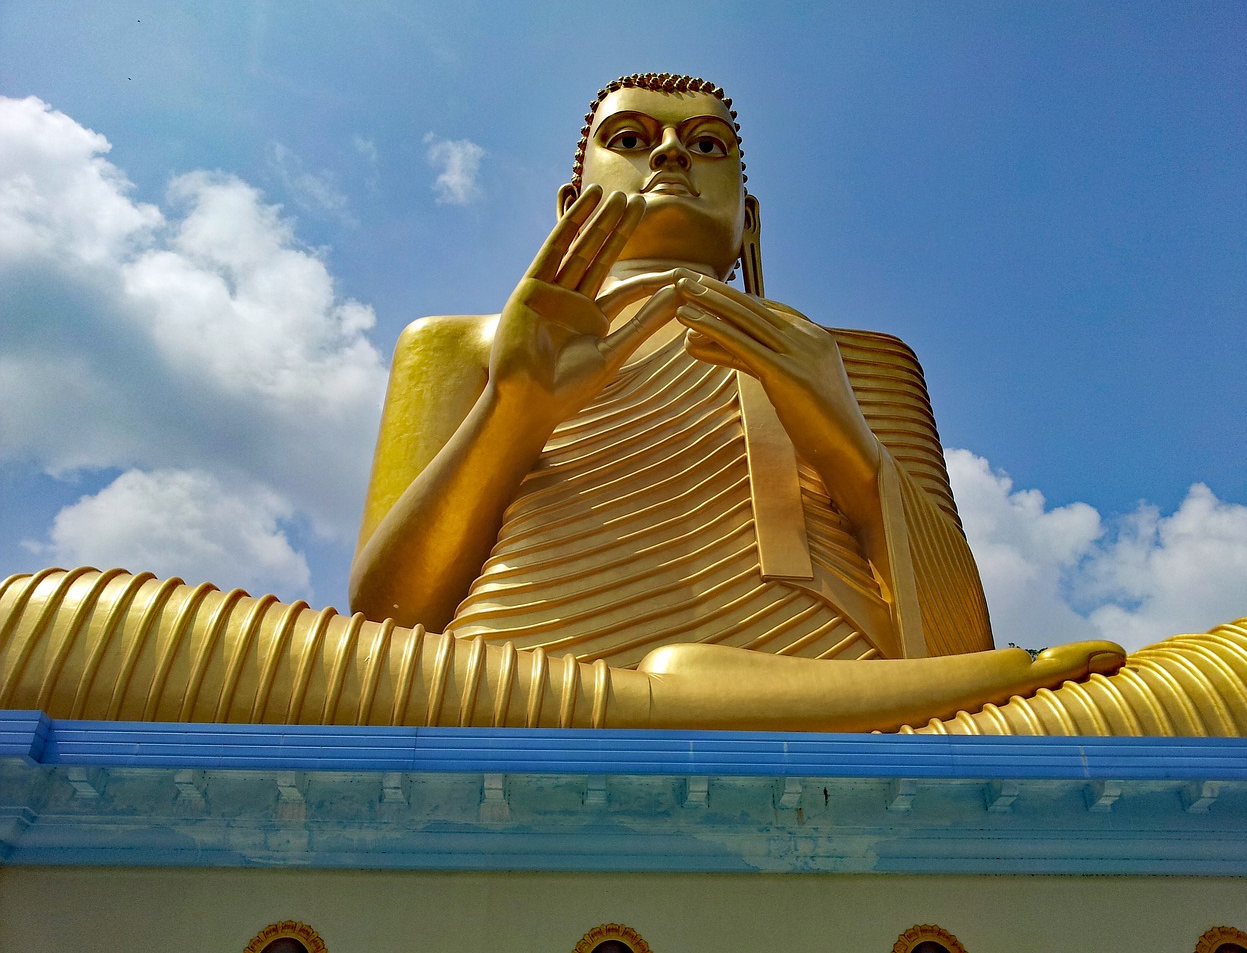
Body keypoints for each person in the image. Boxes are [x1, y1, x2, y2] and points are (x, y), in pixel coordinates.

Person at [347, 72, 1117, 701]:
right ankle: (667, 701)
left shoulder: (850, 359)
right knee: (236, 647)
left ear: (748, 221)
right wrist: (511, 411)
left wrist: (837, 431)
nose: (673, 157)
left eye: (707, 145)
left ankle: (667, 703)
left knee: (1229, 675)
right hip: (504, 698)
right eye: (630, 141)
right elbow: (387, 621)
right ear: (570, 204)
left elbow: (953, 642)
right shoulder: (463, 346)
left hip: (841, 706)